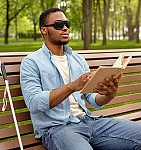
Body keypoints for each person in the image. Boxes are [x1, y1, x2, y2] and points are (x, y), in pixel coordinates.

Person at [20, 8, 141, 150]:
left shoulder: (78, 59)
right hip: (58, 129)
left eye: (67, 24)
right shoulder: (31, 62)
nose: (65, 28)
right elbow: (34, 103)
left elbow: (92, 98)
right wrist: (72, 86)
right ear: (44, 30)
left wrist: (109, 94)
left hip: (89, 122)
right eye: (59, 25)